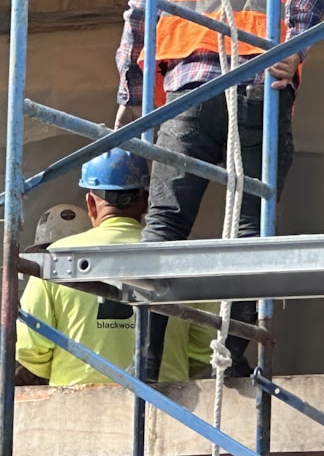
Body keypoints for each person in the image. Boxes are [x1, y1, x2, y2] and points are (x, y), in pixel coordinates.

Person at [114, 0, 324, 376]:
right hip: (259, 88)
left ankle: (146, 358)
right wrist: (290, 52)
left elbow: (138, 20)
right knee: (250, 230)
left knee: (165, 226)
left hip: (185, 96)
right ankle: (231, 357)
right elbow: (307, 0)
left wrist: (132, 99)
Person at [15, 149, 207, 386]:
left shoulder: (54, 259)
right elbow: (204, 349)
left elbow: (29, 347)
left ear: (91, 204)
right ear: (147, 202)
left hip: (76, 404)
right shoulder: (184, 260)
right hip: (166, 402)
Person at [0, 203, 89, 389]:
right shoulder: (15, 324)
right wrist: (7, 378)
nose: (57, 272)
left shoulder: (96, 324)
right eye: (50, 262)